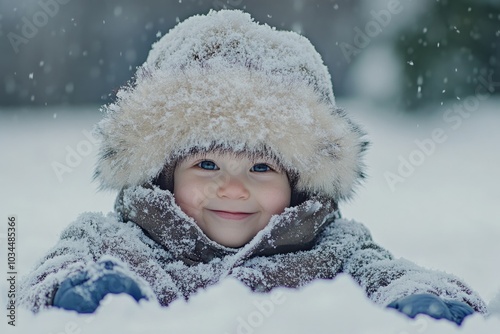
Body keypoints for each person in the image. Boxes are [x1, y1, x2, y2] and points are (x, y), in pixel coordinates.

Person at [19, 10, 487, 325]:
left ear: (301, 182)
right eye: (206, 163)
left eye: (262, 167)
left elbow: (393, 275)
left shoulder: (333, 251)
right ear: (162, 173)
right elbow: (40, 283)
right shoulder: (119, 245)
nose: (234, 187)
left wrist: (424, 302)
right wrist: (83, 291)